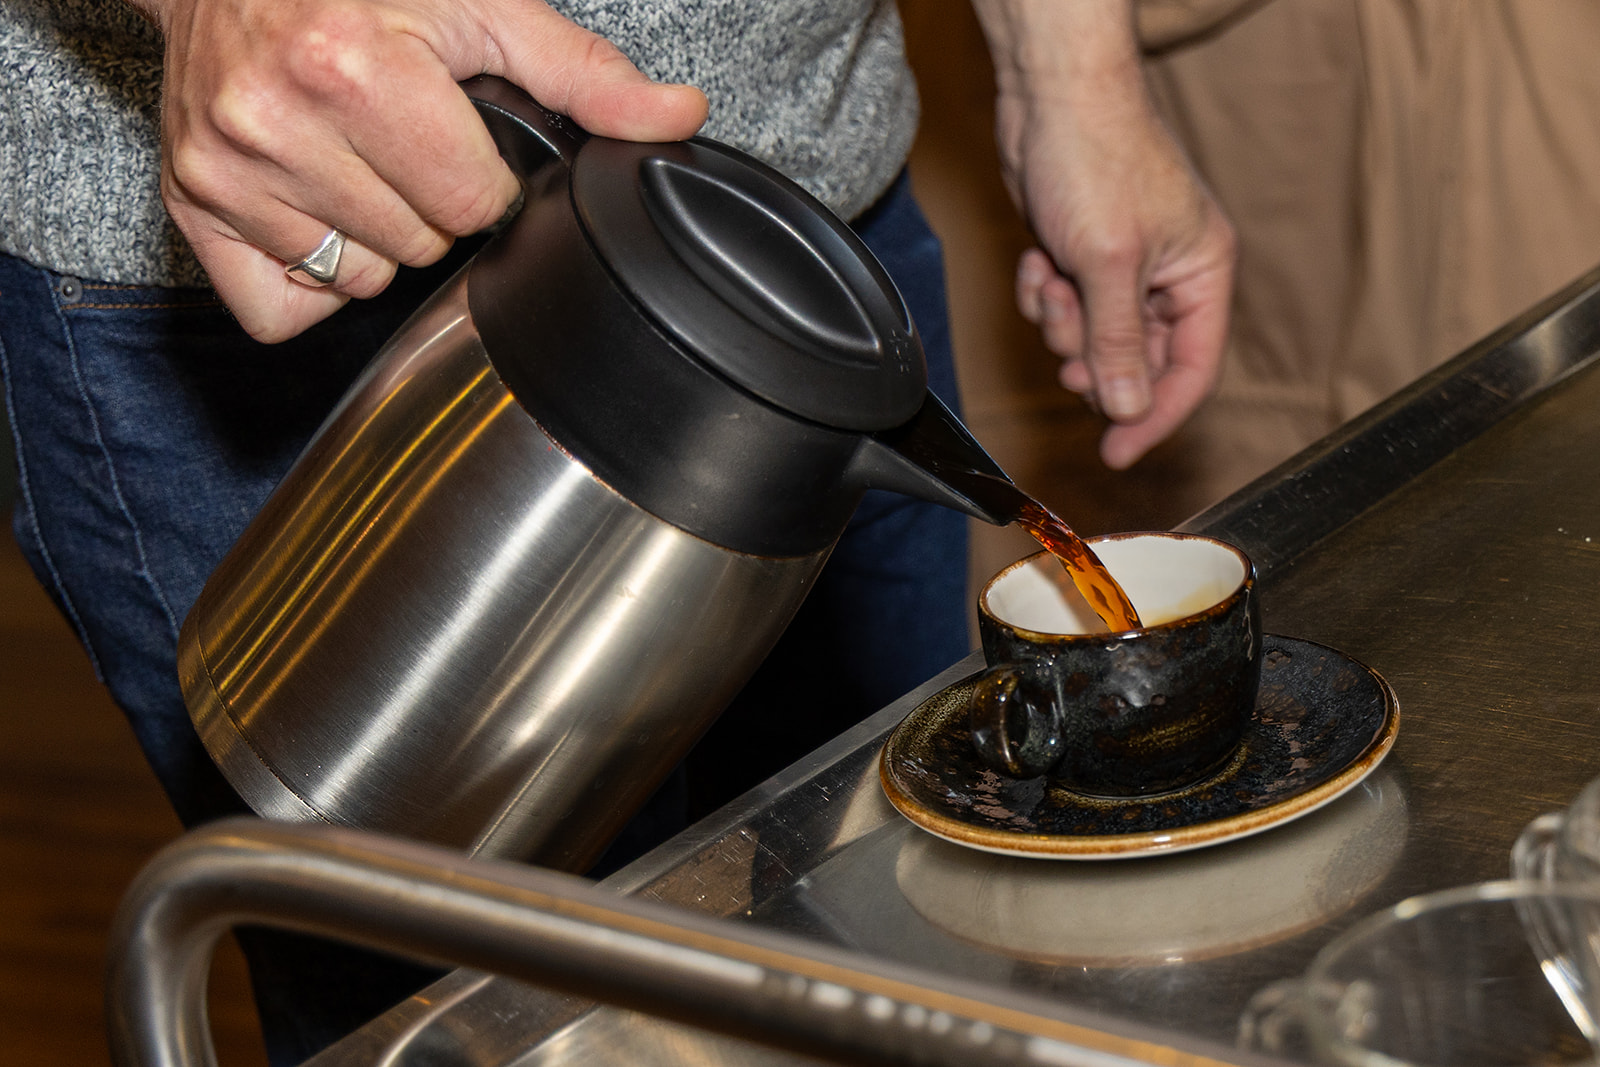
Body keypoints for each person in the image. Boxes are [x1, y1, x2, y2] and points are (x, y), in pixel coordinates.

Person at [0, 0, 1233, 1061]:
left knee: (887, 936)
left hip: (814, 232)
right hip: (300, 226)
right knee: (460, 1014)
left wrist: (1072, 77)